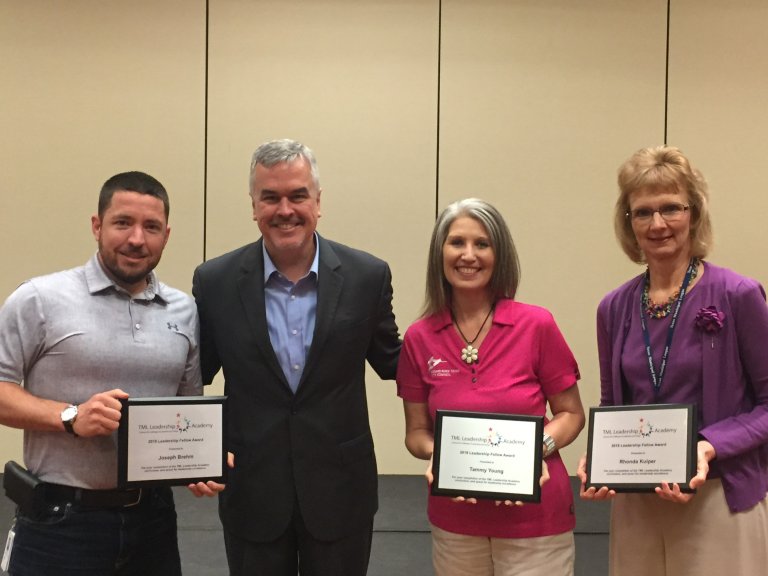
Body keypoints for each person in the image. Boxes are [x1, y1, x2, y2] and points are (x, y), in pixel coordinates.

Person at [192, 138, 401, 576]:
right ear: (253, 206)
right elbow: (192, 376)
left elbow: (399, 365)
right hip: (253, 491)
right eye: (270, 197)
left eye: (297, 195)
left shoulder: (367, 276)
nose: (284, 209)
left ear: (318, 202)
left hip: (341, 491)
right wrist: (192, 450)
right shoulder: (215, 281)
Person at [0, 171, 222, 576]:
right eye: (123, 223)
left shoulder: (184, 310)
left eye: (151, 227)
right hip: (60, 521)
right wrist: (70, 417)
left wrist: (198, 460)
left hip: (153, 520)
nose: (137, 239)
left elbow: (185, 407)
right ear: (97, 226)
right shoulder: (39, 298)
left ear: (166, 235)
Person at [578, 145, 768, 576]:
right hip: (638, 502)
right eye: (642, 212)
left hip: (720, 498)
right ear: (628, 223)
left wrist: (710, 445)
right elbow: (613, 405)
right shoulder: (613, 307)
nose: (658, 223)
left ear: (694, 214)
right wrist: (600, 457)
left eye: (671, 208)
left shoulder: (738, 295)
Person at [396, 198, 585, 576]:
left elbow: (571, 414)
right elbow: (416, 434)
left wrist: (537, 450)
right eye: (457, 242)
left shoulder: (537, 325)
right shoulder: (419, 337)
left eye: (482, 244)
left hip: (536, 519)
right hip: (455, 521)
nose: (469, 255)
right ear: (440, 253)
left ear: (500, 254)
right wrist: (443, 454)